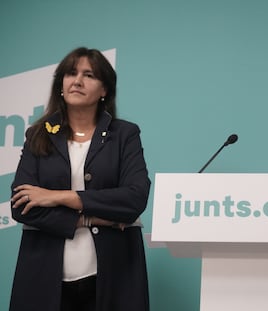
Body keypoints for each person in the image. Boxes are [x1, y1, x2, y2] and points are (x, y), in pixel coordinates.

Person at [10, 47, 151, 311]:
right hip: (44, 277)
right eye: (71, 73)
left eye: (89, 75)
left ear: (104, 90)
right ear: (61, 85)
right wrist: (89, 218)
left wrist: (61, 196)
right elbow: (21, 205)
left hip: (113, 275)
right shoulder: (37, 134)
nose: (77, 80)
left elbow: (134, 197)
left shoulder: (125, 135)